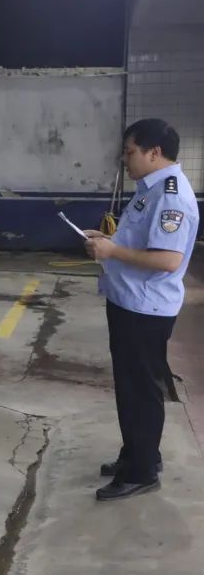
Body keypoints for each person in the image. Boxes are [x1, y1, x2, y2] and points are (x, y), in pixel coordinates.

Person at [84, 118, 199, 502]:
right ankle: (137, 453)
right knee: (132, 387)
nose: (125, 159)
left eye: (130, 152)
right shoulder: (150, 188)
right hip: (130, 301)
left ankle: (142, 471)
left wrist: (113, 251)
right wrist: (108, 240)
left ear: (154, 152)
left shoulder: (170, 196)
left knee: (139, 391)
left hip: (144, 308)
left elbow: (168, 259)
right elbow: (141, 241)